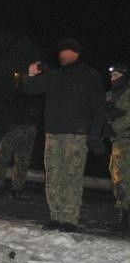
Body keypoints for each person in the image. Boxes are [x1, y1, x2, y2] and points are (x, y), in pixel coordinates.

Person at [22, 38, 105, 232]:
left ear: (76, 54)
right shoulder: (55, 75)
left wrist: (94, 134)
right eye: (61, 52)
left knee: (72, 177)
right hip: (53, 134)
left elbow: (98, 106)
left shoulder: (89, 75)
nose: (63, 55)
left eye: (67, 52)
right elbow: (29, 89)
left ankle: (70, 219)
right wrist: (30, 75)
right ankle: (56, 217)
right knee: (53, 177)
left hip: (76, 135)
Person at [0, 77, 43, 199]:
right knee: (22, 159)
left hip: (17, 127)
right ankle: (17, 189)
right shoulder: (29, 93)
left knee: (1, 157)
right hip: (31, 127)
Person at [106, 63, 130, 231]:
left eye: (116, 76)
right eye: (112, 76)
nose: (113, 79)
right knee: (117, 175)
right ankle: (123, 210)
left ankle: (125, 212)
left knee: (122, 177)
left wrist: (114, 126)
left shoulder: (127, 93)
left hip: (125, 139)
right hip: (118, 140)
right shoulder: (113, 94)